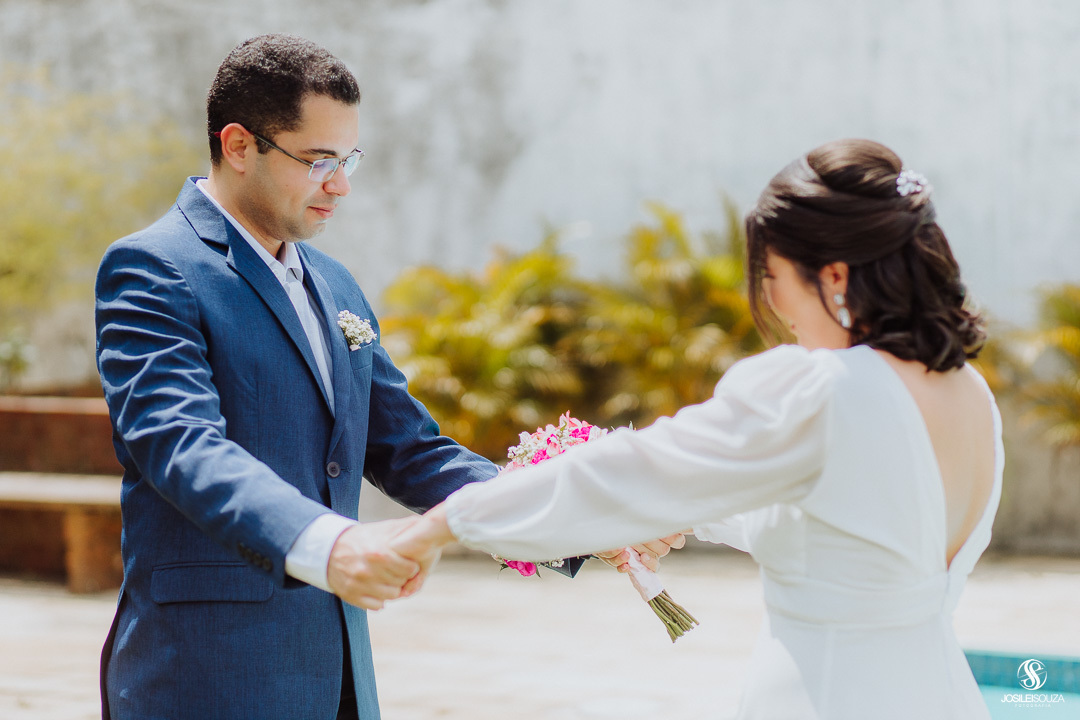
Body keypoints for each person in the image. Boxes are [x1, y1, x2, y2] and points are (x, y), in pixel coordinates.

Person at [391, 139, 1001, 719]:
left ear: (835, 277)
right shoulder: (968, 392)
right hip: (938, 691)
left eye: (774, 279)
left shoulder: (817, 388)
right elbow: (846, 532)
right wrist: (689, 514)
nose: (775, 306)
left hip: (824, 695)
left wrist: (445, 522)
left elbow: (629, 474)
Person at [93, 34, 507, 720]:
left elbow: (408, 450)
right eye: (318, 161)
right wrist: (331, 543)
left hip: (339, 678)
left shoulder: (336, 283)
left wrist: (573, 513)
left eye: (347, 161)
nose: (340, 185)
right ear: (237, 145)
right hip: (208, 675)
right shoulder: (154, 268)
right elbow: (180, 445)